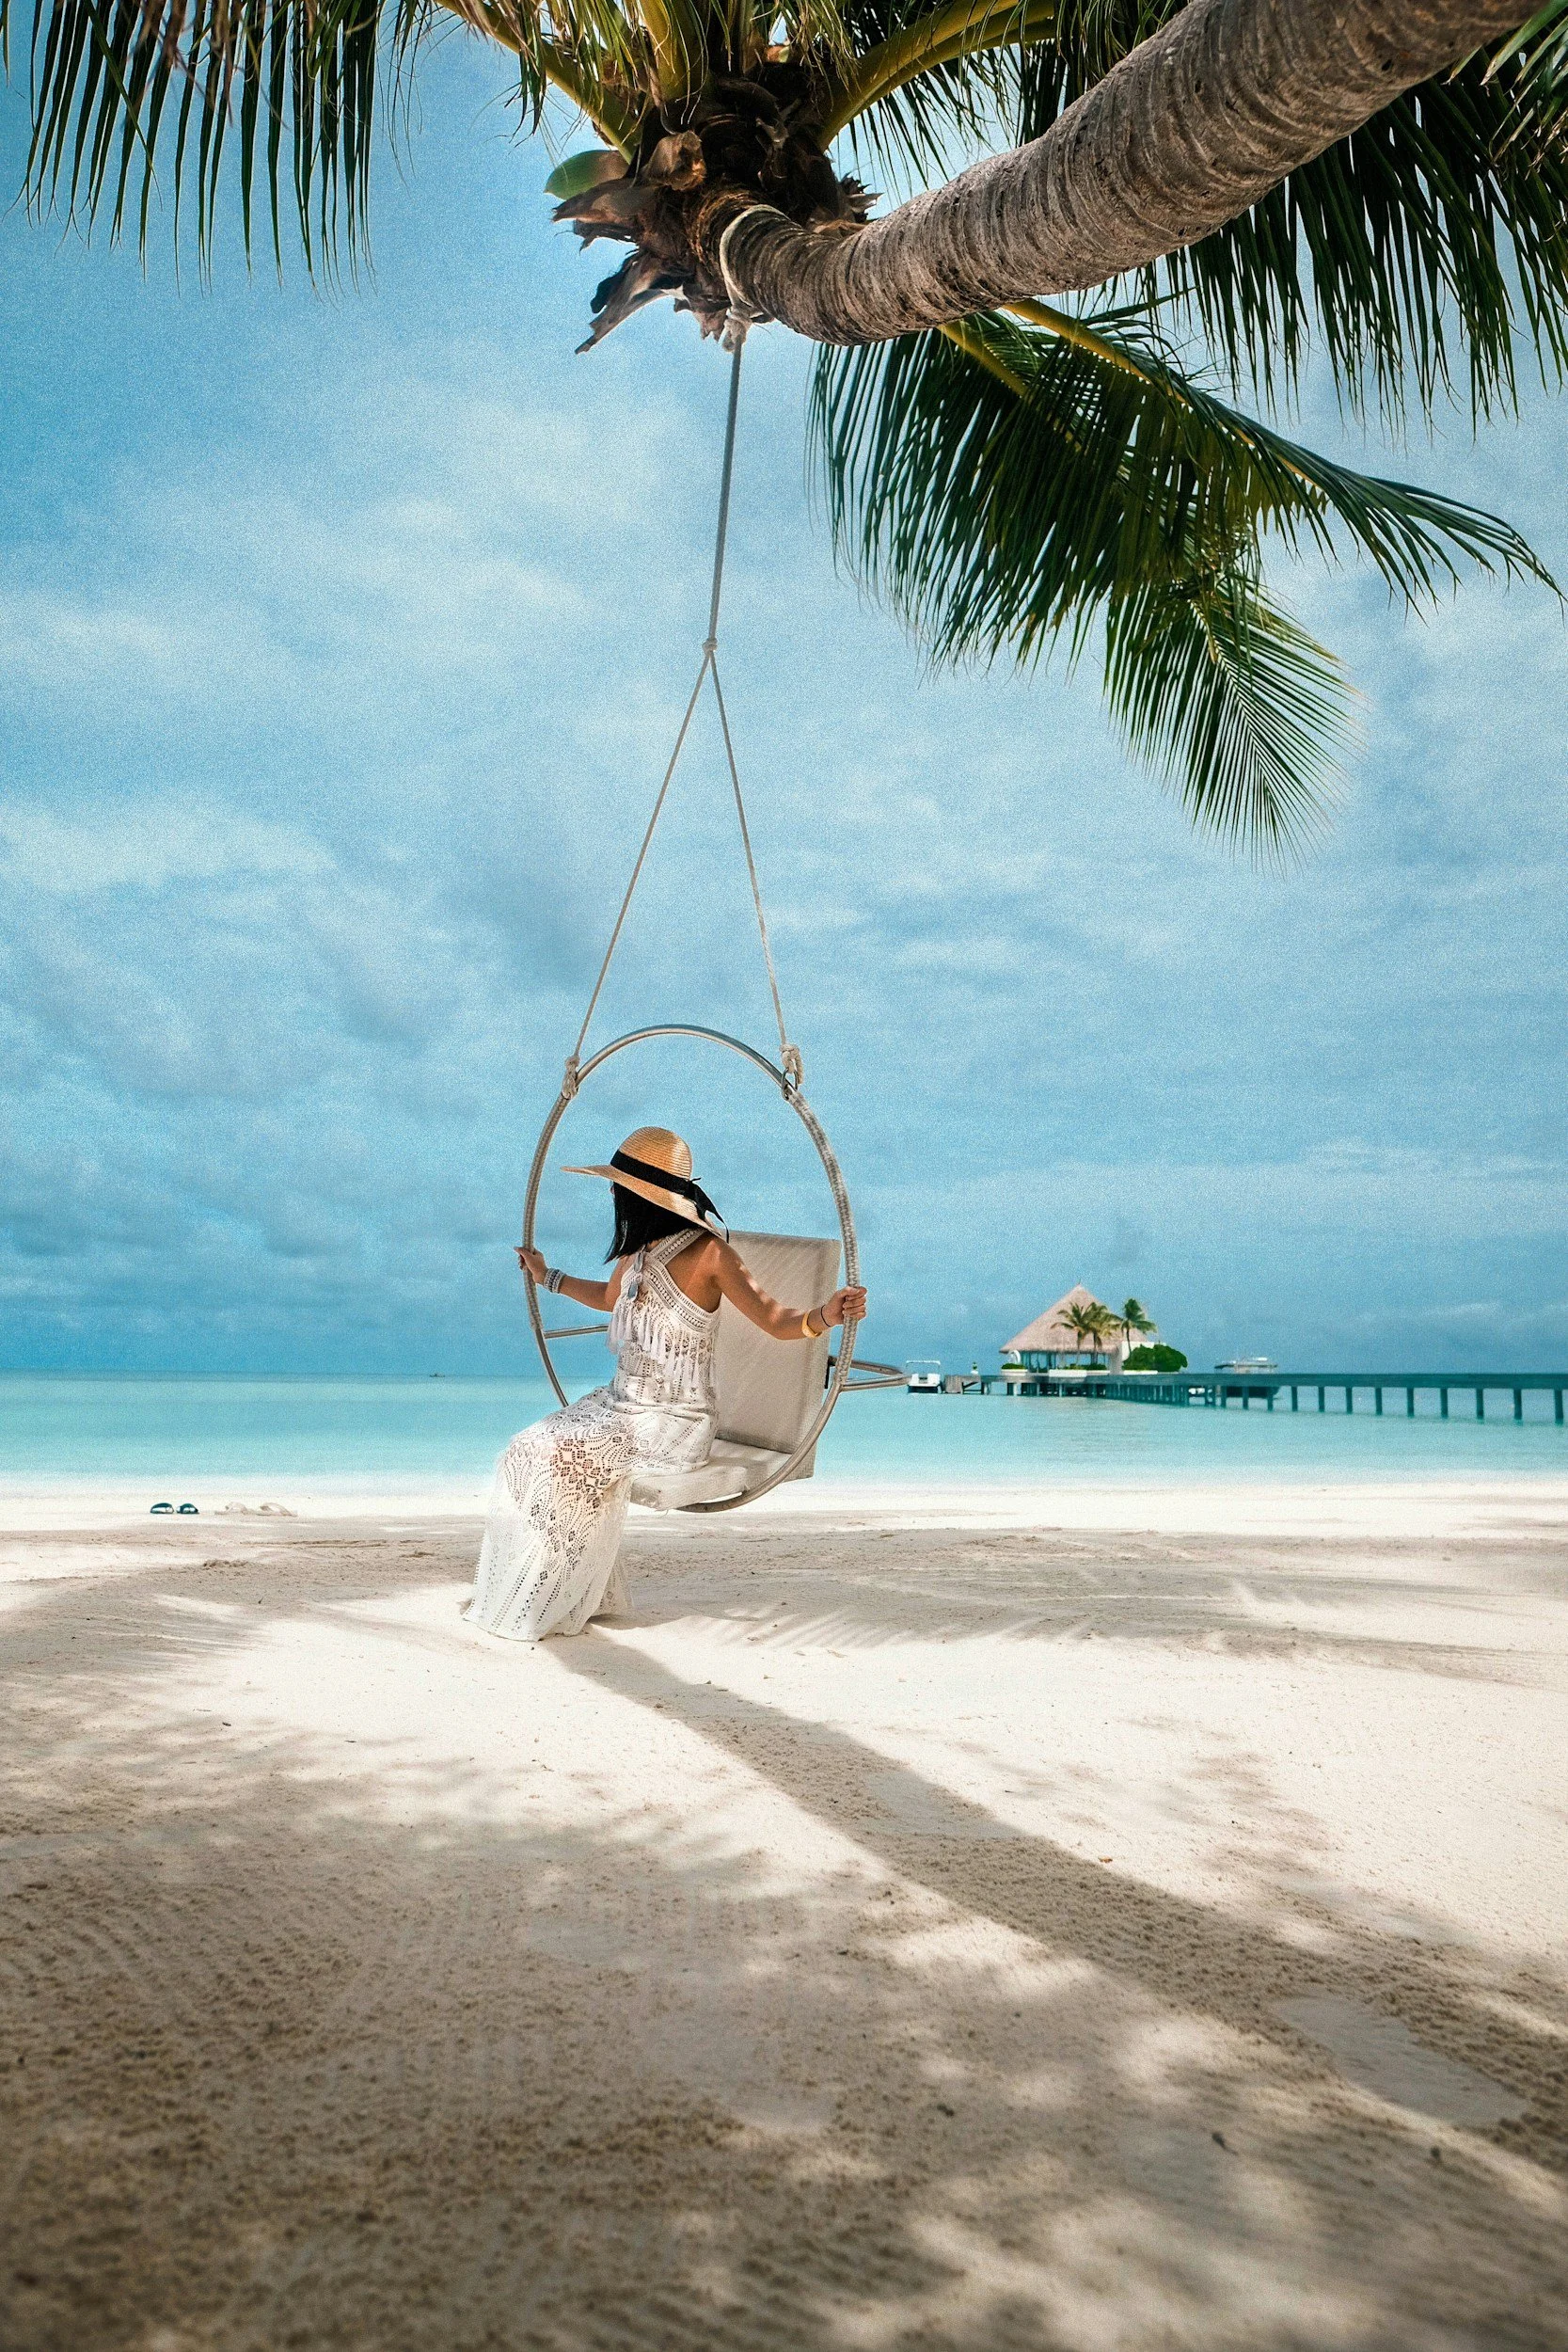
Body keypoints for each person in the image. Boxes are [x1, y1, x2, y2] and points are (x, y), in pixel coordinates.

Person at [466, 1126, 867, 1642]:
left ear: (638, 1193)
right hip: (619, 1405)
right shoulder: (638, 1253)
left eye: (617, 1185)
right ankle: (569, 1586)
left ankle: (552, 1592)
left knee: (560, 1461)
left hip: (673, 1421)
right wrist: (548, 1277)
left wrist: (825, 1315)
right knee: (522, 1452)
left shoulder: (710, 1254)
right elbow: (611, 1299)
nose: (611, 1194)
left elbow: (775, 1320)